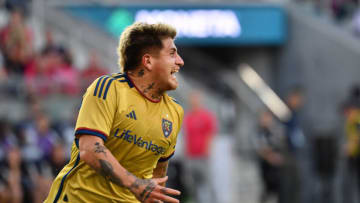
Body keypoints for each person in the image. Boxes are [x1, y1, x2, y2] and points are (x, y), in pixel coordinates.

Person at [44, 22, 184, 203]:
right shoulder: (109, 89)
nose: (180, 61)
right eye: (172, 53)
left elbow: (157, 177)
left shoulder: (174, 112)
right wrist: (136, 185)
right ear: (148, 61)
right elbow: (89, 149)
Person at [183, 90, 217, 203]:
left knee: (208, 183)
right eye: (192, 99)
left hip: (203, 156)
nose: (194, 101)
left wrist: (207, 150)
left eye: (196, 99)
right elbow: (186, 136)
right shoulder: (188, 117)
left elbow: (210, 134)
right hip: (191, 157)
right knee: (193, 185)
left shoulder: (206, 116)